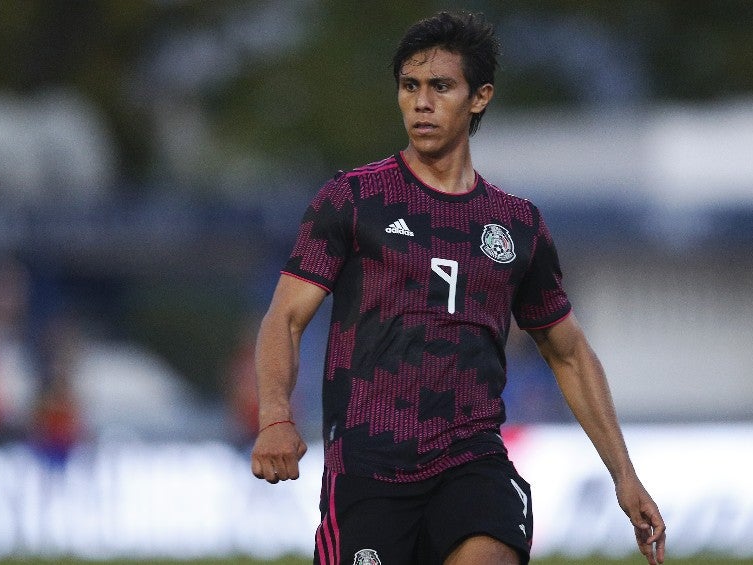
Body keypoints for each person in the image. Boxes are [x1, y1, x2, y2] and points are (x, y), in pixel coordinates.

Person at [250, 11, 666, 565]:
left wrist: (625, 475)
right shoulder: (354, 200)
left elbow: (566, 352)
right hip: (370, 469)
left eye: (441, 87)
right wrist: (276, 415)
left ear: (479, 97)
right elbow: (284, 318)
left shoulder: (516, 225)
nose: (422, 103)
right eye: (410, 87)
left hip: (472, 463)